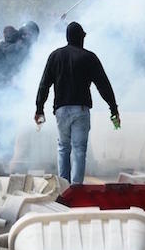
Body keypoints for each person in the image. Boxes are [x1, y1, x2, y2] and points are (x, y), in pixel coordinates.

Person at [35, 22, 119, 184]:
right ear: (81, 37)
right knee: (79, 150)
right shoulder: (89, 57)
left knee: (63, 148)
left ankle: (63, 186)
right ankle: (76, 188)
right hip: (81, 110)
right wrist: (113, 108)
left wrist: (39, 108)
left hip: (61, 110)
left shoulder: (55, 56)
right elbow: (103, 85)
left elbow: (44, 84)